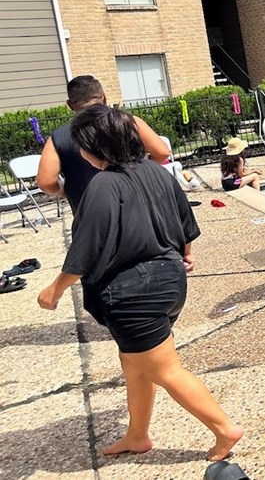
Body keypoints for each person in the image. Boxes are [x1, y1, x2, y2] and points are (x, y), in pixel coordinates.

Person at [36, 105, 242, 461]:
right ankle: (137, 435)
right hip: (169, 282)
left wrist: (54, 288)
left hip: (133, 293)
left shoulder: (103, 183)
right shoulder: (156, 171)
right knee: (134, 363)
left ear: (94, 148)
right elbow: (186, 222)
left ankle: (225, 429)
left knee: (166, 370)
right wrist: (184, 254)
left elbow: (88, 245)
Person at [36, 75, 171, 215]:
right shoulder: (128, 122)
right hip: (137, 202)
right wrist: (144, 173)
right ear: (104, 97)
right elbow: (162, 152)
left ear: (70, 105)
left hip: (91, 210)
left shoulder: (59, 137)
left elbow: (46, 181)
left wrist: (65, 190)